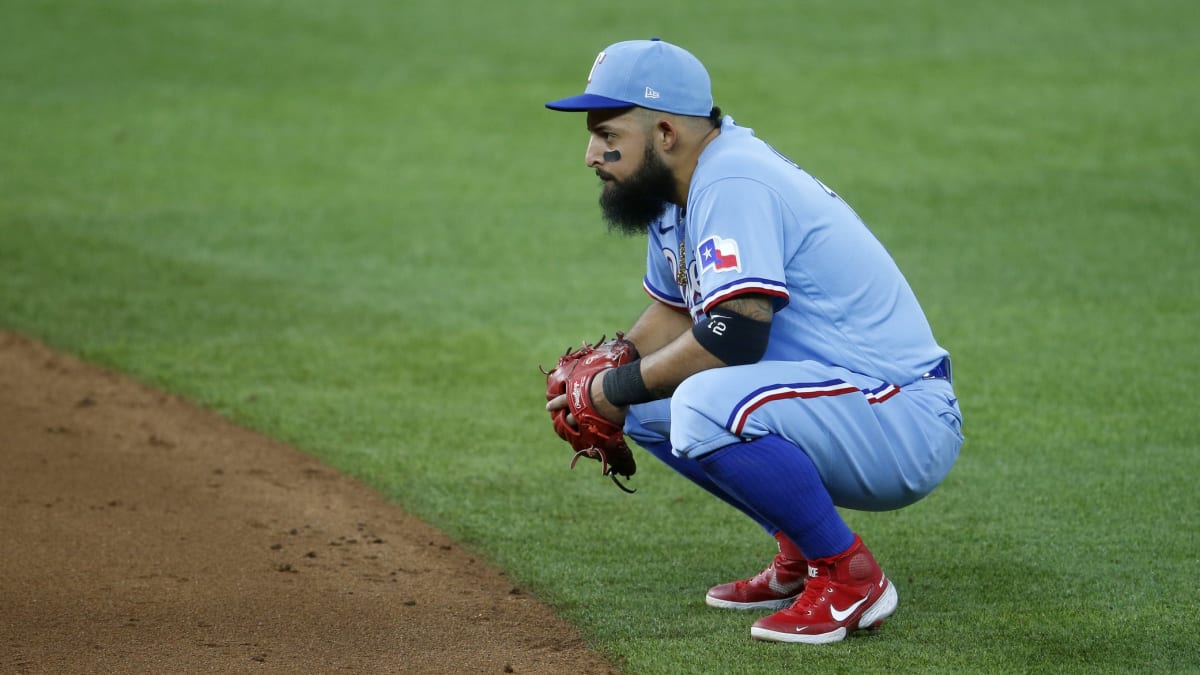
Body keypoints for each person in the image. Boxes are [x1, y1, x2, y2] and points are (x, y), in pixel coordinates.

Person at [543, 38, 963, 644]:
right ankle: (803, 548)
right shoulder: (676, 194)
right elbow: (675, 308)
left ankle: (850, 577)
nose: (591, 155)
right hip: (838, 402)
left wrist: (615, 384)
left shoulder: (733, 180)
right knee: (645, 405)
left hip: (900, 415)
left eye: (607, 134)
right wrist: (609, 372)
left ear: (664, 133)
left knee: (697, 402)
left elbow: (734, 333)